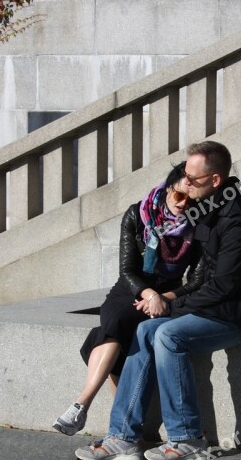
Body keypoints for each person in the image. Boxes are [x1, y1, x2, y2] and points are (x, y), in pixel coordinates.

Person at [75, 140, 241, 460]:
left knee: (168, 335)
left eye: (193, 177)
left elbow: (223, 287)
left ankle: (187, 436)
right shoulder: (206, 210)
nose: (185, 182)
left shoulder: (235, 219)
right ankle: (123, 438)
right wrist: (163, 297)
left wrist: (170, 307)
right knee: (146, 330)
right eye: (184, 174)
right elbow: (200, 281)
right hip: (221, 306)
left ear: (215, 180)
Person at [53, 162, 202, 436]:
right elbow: (127, 270)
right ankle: (107, 418)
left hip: (167, 294)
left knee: (107, 332)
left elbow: (195, 281)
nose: (183, 204)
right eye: (179, 196)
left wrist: (164, 297)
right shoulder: (139, 213)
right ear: (169, 188)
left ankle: (93, 412)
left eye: (190, 199)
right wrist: (149, 293)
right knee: (118, 320)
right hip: (130, 290)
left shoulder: (198, 225)